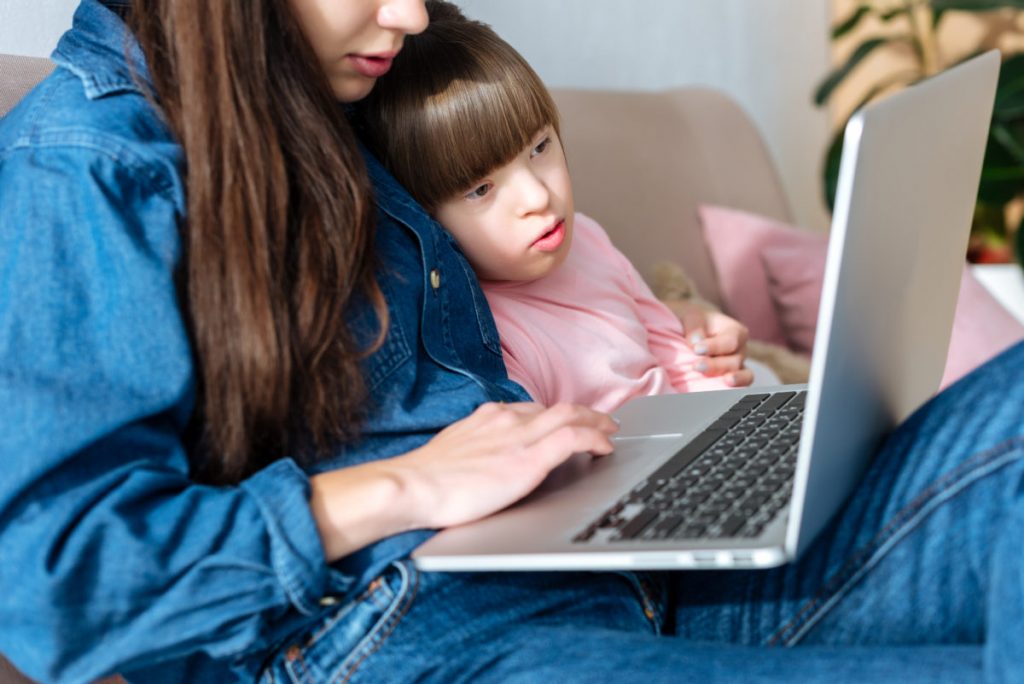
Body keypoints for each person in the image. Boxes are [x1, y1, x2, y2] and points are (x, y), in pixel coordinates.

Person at [0, 0, 1020, 682]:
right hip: (392, 636)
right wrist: (406, 484)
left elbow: (552, 274)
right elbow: (58, 584)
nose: (406, 15)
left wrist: (676, 333)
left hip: (608, 569)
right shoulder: (85, 169)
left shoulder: (335, 97)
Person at [355, 5, 748, 414]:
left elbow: (681, 363)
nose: (538, 198)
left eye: (539, 147)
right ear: (427, 220)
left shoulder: (589, 240)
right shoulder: (483, 335)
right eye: (481, 189)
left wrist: (720, 381)